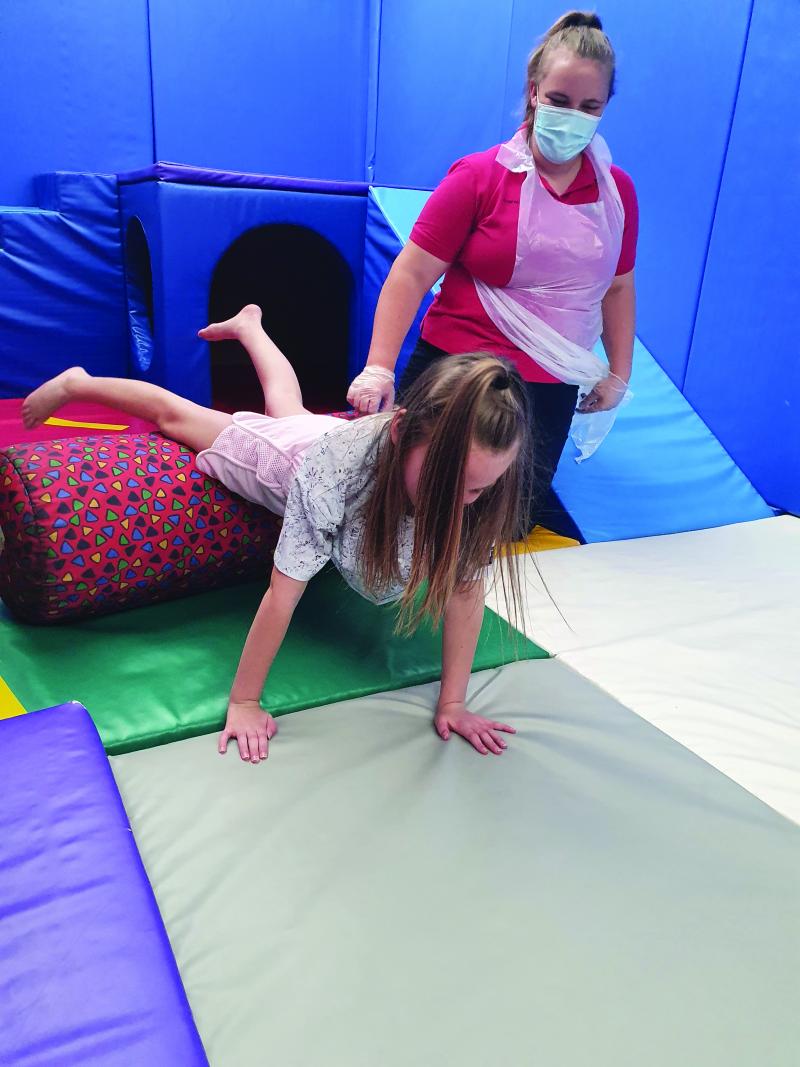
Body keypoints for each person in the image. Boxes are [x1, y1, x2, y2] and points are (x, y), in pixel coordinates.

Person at [22, 305, 532, 763]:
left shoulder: (458, 478)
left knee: (288, 409)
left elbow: (466, 591)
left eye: (477, 490)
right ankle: (78, 381)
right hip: (286, 461)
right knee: (178, 416)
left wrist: (454, 702)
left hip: (329, 439)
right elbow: (280, 596)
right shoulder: (332, 479)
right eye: (450, 485)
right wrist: (245, 701)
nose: (462, 503)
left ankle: (250, 326)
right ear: (399, 431)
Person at [348, 10, 638, 534]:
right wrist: (379, 367)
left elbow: (617, 287)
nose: (574, 115)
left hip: (547, 385)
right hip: (456, 371)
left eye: (590, 106)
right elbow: (411, 274)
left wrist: (619, 371)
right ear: (533, 92)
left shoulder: (617, 195)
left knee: (501, 524)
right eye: (559, 100)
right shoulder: (479, 177)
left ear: (604, 109)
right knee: (406, 499)